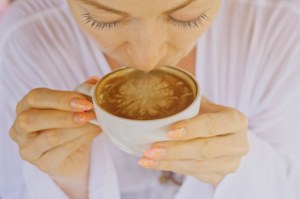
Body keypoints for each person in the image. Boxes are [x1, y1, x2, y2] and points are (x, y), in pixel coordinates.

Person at [0, 0, 299, 198]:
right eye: (103, 19)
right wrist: (68, 183)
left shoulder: (277, 32)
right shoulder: (26, 39)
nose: (146, 59)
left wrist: (237, 169)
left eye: (187, 17)